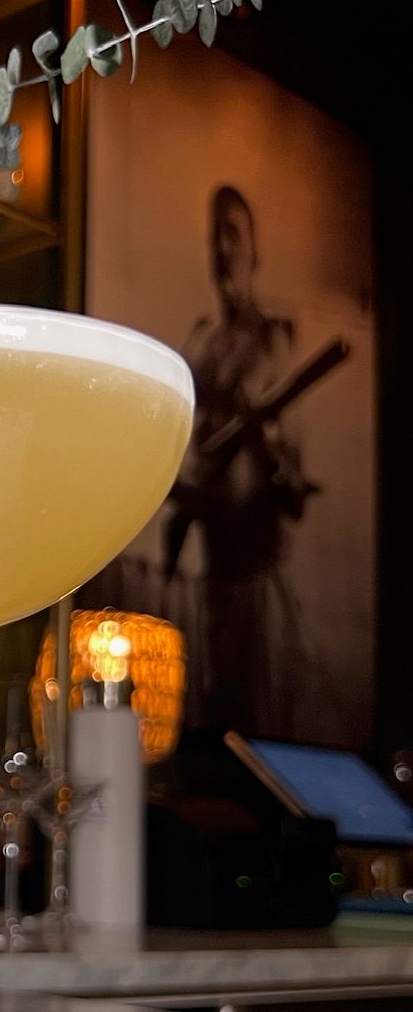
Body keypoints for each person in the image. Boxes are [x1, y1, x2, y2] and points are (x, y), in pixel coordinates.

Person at [164, 185, 314, 735]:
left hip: (258, 582)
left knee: (261, 738)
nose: (224, 249)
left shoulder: (276, 339)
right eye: (215, 236)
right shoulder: (201, 342)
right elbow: (182, 458)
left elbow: (293, 485)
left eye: (234, 234)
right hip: (211, 582)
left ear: (255, 249)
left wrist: (266, 438)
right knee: (209, 733)